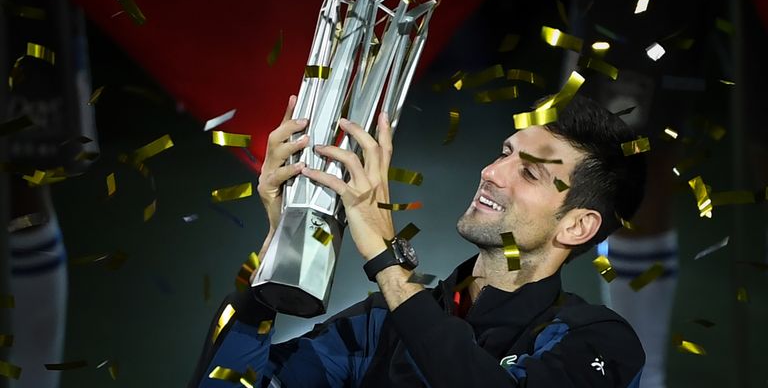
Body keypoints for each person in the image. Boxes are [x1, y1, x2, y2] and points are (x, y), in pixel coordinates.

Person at [190, 93, 647, 387]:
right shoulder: (379, 325)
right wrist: (281, 245)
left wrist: (388, 262)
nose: (490, 173)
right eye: (504, 153)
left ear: (577, 226)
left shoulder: (599, 342)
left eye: (529, 172)